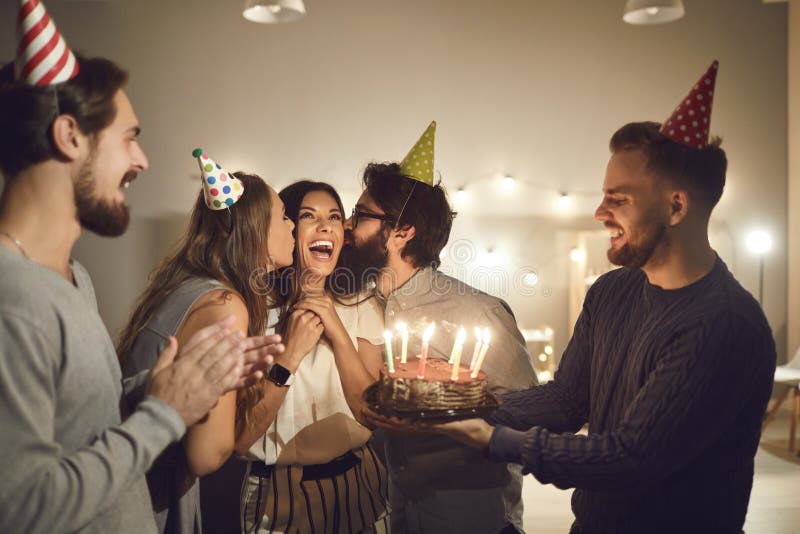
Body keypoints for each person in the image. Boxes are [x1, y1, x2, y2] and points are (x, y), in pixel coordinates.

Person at [433, 62, 777, 534]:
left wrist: (496, 440)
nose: (599, 212)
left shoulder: (724, 324)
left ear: (676, 206)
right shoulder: (612, 291)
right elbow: (569, 400)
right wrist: (462, 404)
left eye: (619, 198)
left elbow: (630, 457)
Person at [0, 4, 281, 533]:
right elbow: (20, 511)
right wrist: (164, 413)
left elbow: (86, 421)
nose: (142, 160)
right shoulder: (11, 297)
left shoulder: (71, 277)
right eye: (129, 137)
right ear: (69, 136)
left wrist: (173, 382)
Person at [349, 122, 537, 533]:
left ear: (402, 231)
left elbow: (529, 413)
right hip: (397, 513)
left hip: (471, 515)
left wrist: (448, 428)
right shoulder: (361, 307)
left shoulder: (477, 312)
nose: (348, 225)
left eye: (360, 215)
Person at [116, 149, 296, 534]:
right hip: (149, 504)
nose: (293, 224)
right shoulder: (226, 306)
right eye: (283, 215)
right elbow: (207, 454)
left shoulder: (192, 285)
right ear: (256, 228)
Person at [236, 180, 390, 533]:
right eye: (308, 216)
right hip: (276, 494)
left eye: (334, 217)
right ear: (288, 229)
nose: (325, 226)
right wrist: (290, 354)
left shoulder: (362, 306)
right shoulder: (251, 312)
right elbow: (241, 438)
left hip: (360, 482)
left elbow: (371, 414)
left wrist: (336, 329)